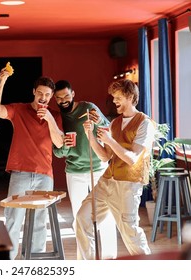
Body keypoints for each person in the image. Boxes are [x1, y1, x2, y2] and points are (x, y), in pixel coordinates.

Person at [0, 67, 64, 260]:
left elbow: (59, 143)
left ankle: (34, 262)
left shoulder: (54, 116)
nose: (43, 97)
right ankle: (9, 260)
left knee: (40, 221)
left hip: (44, 174)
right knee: (14, 218)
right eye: (40, 93)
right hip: (20, 173)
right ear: (33, 92)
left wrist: (49, 120)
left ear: (51, 96)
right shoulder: (20, 110)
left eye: (47, 94)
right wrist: (3, 82)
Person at [76, 79, 154, 259]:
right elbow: (105, 156)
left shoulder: (145, 123)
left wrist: (110, 140)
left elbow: (132, 158)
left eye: (118, 97)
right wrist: (90, 135)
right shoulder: (115, 123)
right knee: (82, 218)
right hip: (107, 181)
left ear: (130, 97)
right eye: (113, 97)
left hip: (128, 185)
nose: (114, 101)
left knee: (130, 233)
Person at [52, 80, 118, 259]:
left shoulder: (88, 107)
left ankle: (110, 257)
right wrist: (65, 145)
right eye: (58, 98)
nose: (63, 100)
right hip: (74, 171)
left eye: (66, 95)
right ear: (55, 100)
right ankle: (85, 259)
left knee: (105, 213)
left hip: (98, 167)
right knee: (79, 217)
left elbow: (107, 129)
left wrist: (100, 120)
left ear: (73, 94)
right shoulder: (58, 119)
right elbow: (58, 152)